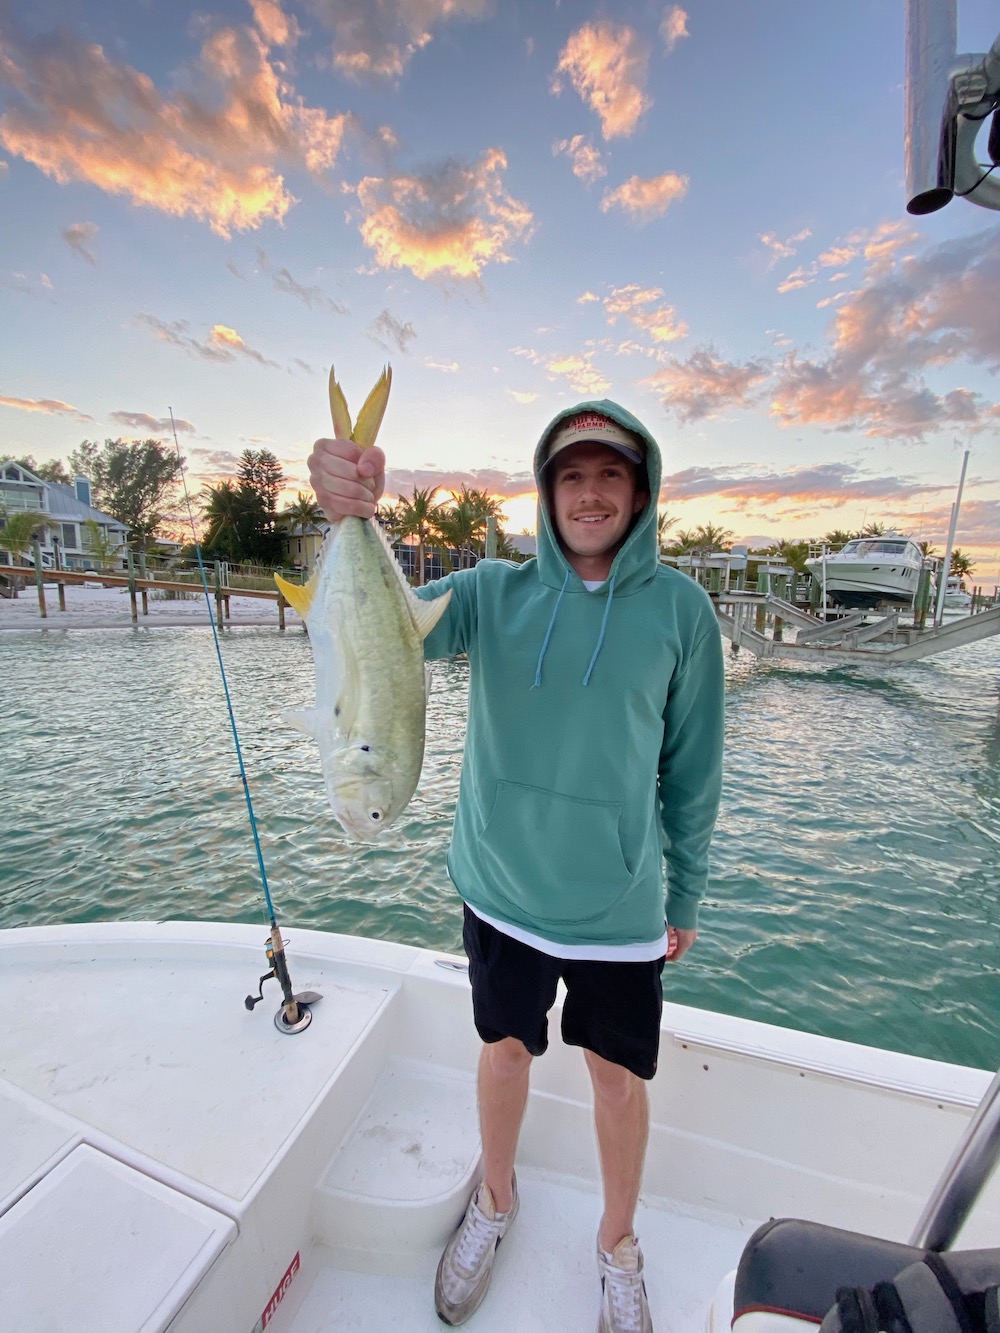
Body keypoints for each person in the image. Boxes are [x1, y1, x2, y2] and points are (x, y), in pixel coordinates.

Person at [308, 400, 725, 1333]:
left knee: (617, 1079)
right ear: (545, 491)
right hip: (499, 886)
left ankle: (618, 1246)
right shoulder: (492, 593)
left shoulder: (684, 613)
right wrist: (344, 500)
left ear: (642, 490)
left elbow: (693, 769)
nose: (590, 492)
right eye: (571, 474)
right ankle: (494, 1200)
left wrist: (685, 891)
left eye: (609, 474)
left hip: (620, 904)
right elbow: (382, 632)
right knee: (502, 1053)